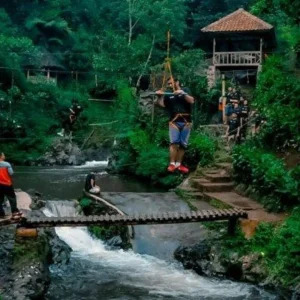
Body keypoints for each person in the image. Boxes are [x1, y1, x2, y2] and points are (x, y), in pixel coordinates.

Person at [155, 77, 195, 174]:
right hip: (174, 121)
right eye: (168, 84)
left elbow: (191, 100)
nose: (169, 85)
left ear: (177, 82)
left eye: (171, 83)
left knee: (183, 144)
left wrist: (182, 92)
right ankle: (172, 163)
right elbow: (162, 105)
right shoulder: (169, 94)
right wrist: (159, 97)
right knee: (174, 142)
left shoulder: (185, 90)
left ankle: (179, 164)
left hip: (186, 121)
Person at [0, 152, 22, 220]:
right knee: (12, 198)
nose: (4, 156)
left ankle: (1, 214)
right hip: (7, 184)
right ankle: (14, 212)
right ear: (1, 156)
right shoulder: (6, 164)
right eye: (4, 155)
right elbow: (11, 173)